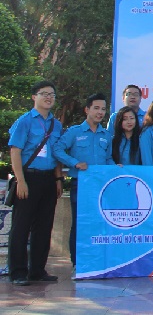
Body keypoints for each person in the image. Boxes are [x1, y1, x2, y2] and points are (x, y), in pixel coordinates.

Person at [7, 81, 64, 286]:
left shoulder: (56, 124)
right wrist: (20, 180)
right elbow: (15, 151)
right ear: (34, 97)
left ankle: (37, 270)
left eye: (52, 94)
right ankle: (18, 272)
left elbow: (56, 153)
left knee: (44, 226)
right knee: (21, 227)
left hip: (49, 179)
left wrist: (58, 179)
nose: (49, 97)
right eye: (44, 94)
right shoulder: (25, 121)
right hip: (28, 178)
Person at [53, 93, 113, 267]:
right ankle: (77, 264)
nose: (100, 112)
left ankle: (96, 262)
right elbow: (58, 149)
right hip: (80, 185)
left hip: (101, 187)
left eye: (103, 109)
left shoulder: (106, 135)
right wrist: (74, 163)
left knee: (99, 224)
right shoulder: (74, 132)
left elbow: (108, 158)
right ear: (87, 109)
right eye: (96, 108)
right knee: (80, 224)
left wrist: (115, 168)